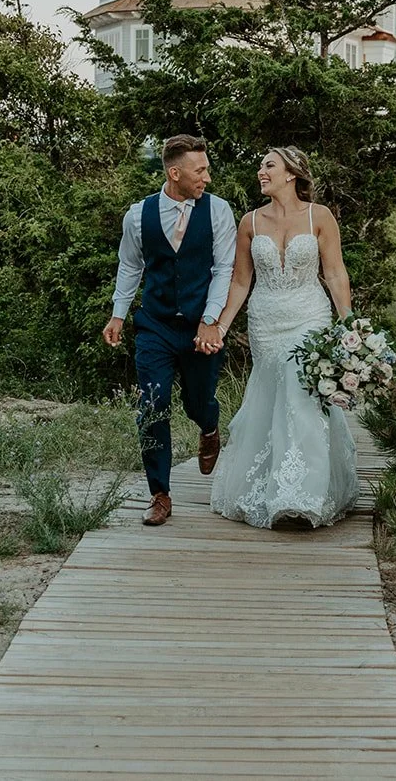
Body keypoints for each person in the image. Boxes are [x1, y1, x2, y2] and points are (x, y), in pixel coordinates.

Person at [209, 146, 360, 528]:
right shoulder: (250, 222)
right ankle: (268, 486)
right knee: (271, 397)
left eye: (269, 165)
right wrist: (222, 326)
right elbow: (241, 282)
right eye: (261, 166)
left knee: (301, 392)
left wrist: (350, 325)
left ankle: (300, 495)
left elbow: (336, 273)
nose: (261, 171)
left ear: (291, 173)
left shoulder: (319, 216)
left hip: (309, 315)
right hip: (266, 319)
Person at [102, 134, 237, 527]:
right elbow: (130, 266)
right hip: (155, 326)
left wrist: (210, 320)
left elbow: (224, 269)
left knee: (199, 402)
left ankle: (209, 428)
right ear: (174, 173)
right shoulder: (137, 215)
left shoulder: (218, 212)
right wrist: (118, 315)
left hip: (202, 327)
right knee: (151, 406)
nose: (207, 178)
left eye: (207, 169)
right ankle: (159, 493)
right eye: (200, 170)